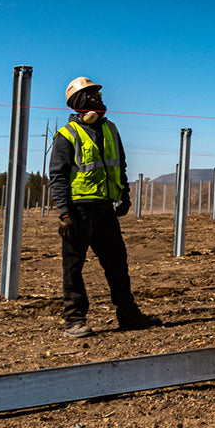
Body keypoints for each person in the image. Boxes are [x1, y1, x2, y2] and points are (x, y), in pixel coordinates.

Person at [49, 76, 161, 337]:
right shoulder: (66, 135)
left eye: (97, 95)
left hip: (105, 209)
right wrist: (64, 212)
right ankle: (74, 320)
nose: (97, 100)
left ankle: (128, 315)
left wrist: (124, 194)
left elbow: (119, 165)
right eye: (90, 96)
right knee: (74, 268)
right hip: (79, 211)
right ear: (78, 103)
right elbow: (58, 176)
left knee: (117, 264)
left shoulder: (111, 129)